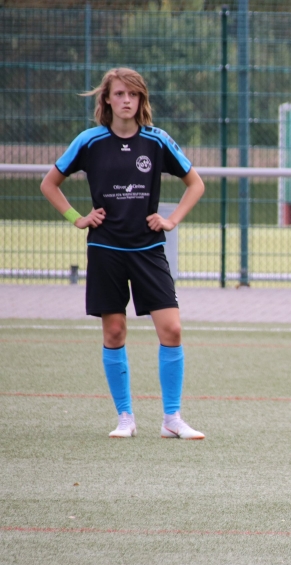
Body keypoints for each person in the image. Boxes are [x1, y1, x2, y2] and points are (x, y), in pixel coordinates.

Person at [40, 67, 205, 440]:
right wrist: (77, 218)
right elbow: (49, 184)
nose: (126, 100)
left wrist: (171, 220)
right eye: (119, 94)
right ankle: (125, 417)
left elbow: (195, 184)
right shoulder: (89, 141)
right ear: (107, 99)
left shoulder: (157, 140)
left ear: (141, 99)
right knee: (114, 331)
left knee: (172, 328)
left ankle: (172, 419)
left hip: (148, 249)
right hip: (106, 249)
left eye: (133, 94)